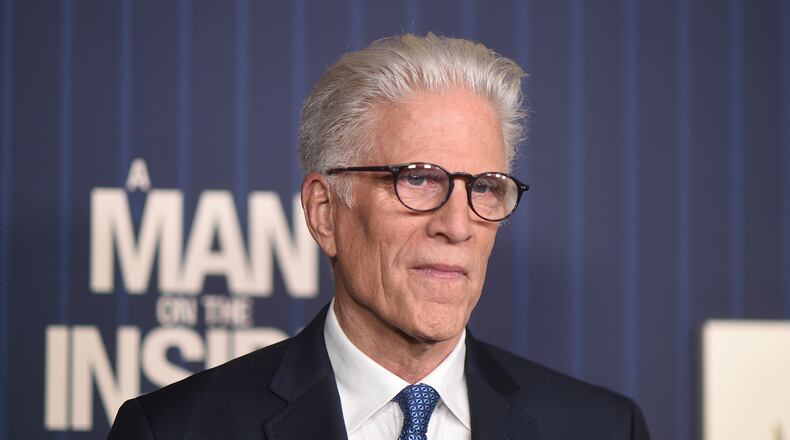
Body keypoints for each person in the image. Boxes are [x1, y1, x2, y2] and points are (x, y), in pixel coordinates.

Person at [109, 33, 651, 440]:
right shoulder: (175, 431)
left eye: (484, 187)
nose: (457, 224)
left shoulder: (601, 428)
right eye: (417, 179)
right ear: (325, 211)